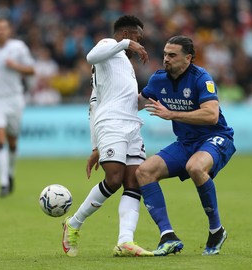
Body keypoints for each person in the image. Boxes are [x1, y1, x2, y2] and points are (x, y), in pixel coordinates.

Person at [61, 15, 153, 257]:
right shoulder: (106, 46)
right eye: (137, 38)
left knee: (135, 182)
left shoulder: (124, 63)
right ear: (125, 34)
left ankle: (125, 241)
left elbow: (100, 101)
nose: (140, 43)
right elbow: (89, 57)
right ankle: (74, 223)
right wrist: (124, 44)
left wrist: (153, 98)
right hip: (111, 123)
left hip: (132, 125)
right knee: (113, 179)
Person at [136, 35, 236, 256]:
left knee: (195, 167)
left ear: (188, 58)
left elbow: (211, 115)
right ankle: (168, 236)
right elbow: (136, 103)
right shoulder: (158, 80)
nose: (166, 59)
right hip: (186, 143)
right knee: (144, 172)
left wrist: (172, 114)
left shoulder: (202, 78)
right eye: (164, 54)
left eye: (172, 55)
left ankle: (216, 229)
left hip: (216, 137)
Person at [0, 17, 35, 197]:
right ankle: (3, 183)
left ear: (9, 30)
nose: (0, 31)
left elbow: (31, 70)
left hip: (14, 98)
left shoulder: (18, 47)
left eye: (4, 28)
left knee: (12, 140)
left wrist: (15, 66)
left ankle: (10, 173)